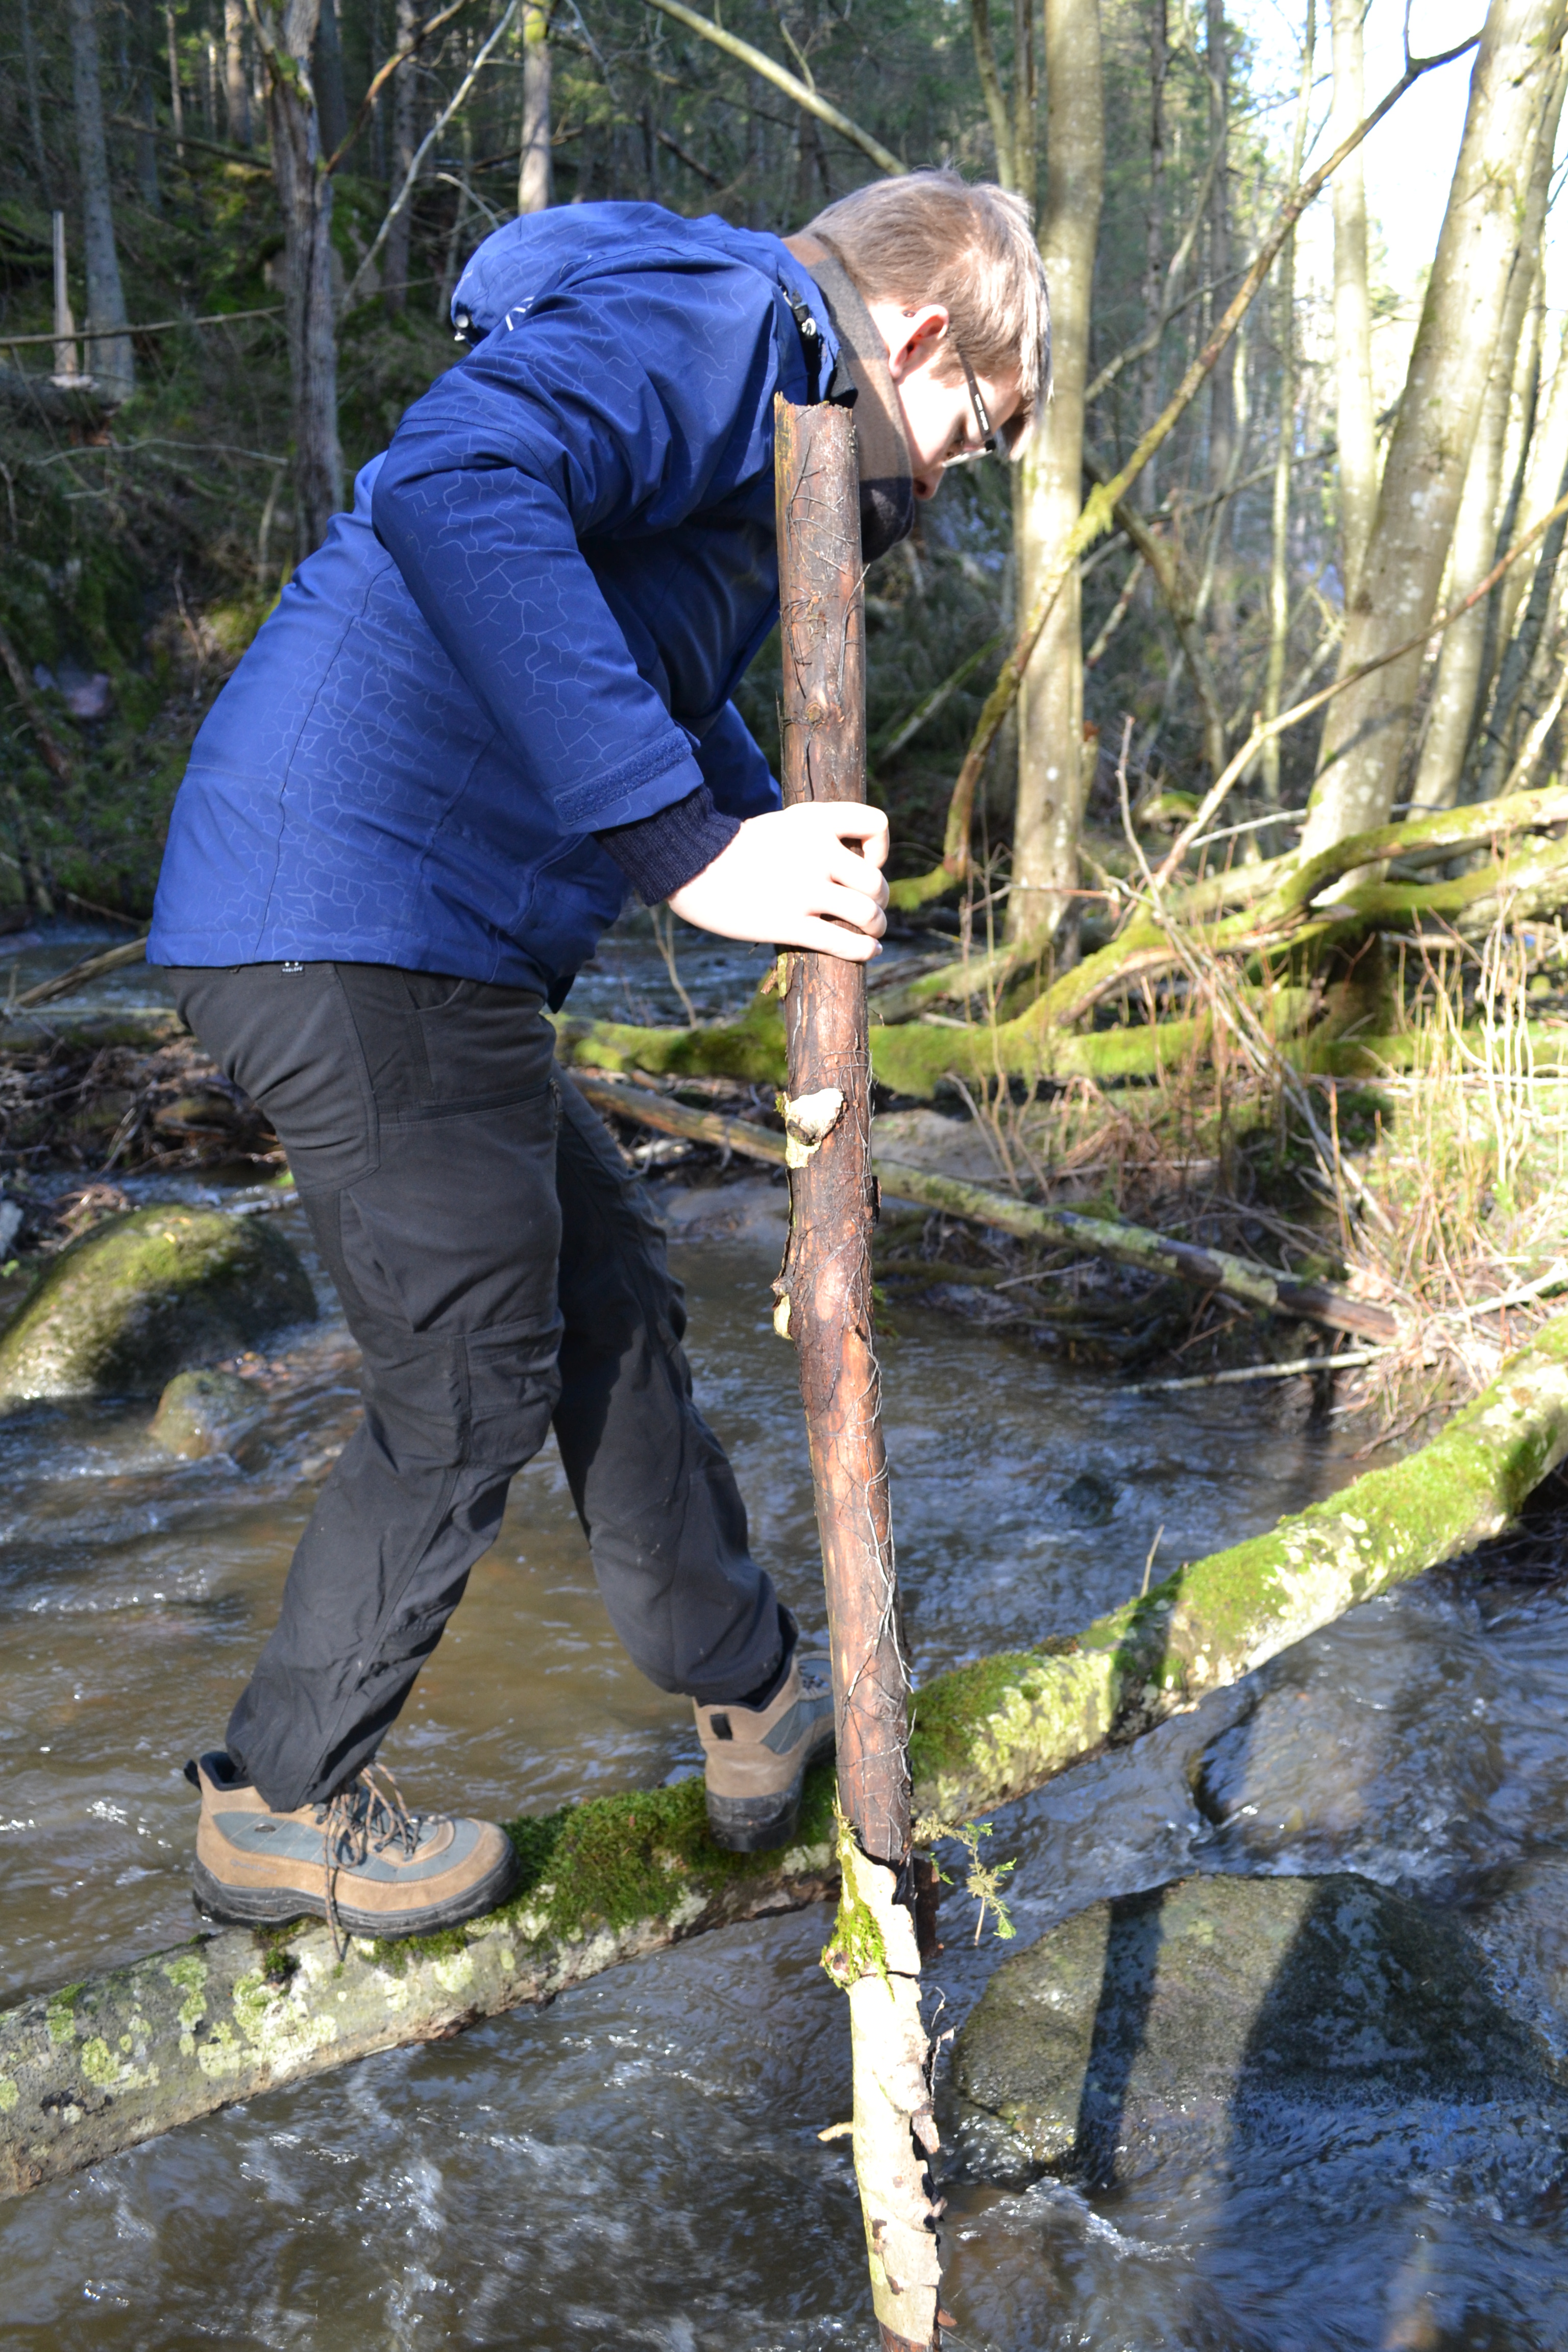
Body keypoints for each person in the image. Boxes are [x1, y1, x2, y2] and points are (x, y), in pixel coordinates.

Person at [149, 166, 1049, 1942]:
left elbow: (652, 664)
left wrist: (763, 831)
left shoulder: (765, 375)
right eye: (981, 426)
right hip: (346, 908)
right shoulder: (736, 323)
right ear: (922, 334)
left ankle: (750, 1689)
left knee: (612, 1285)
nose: (958, 474)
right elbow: (458, 485)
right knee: (472, 1371)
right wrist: (689, 854)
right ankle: (278, 1802)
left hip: (411, 928)